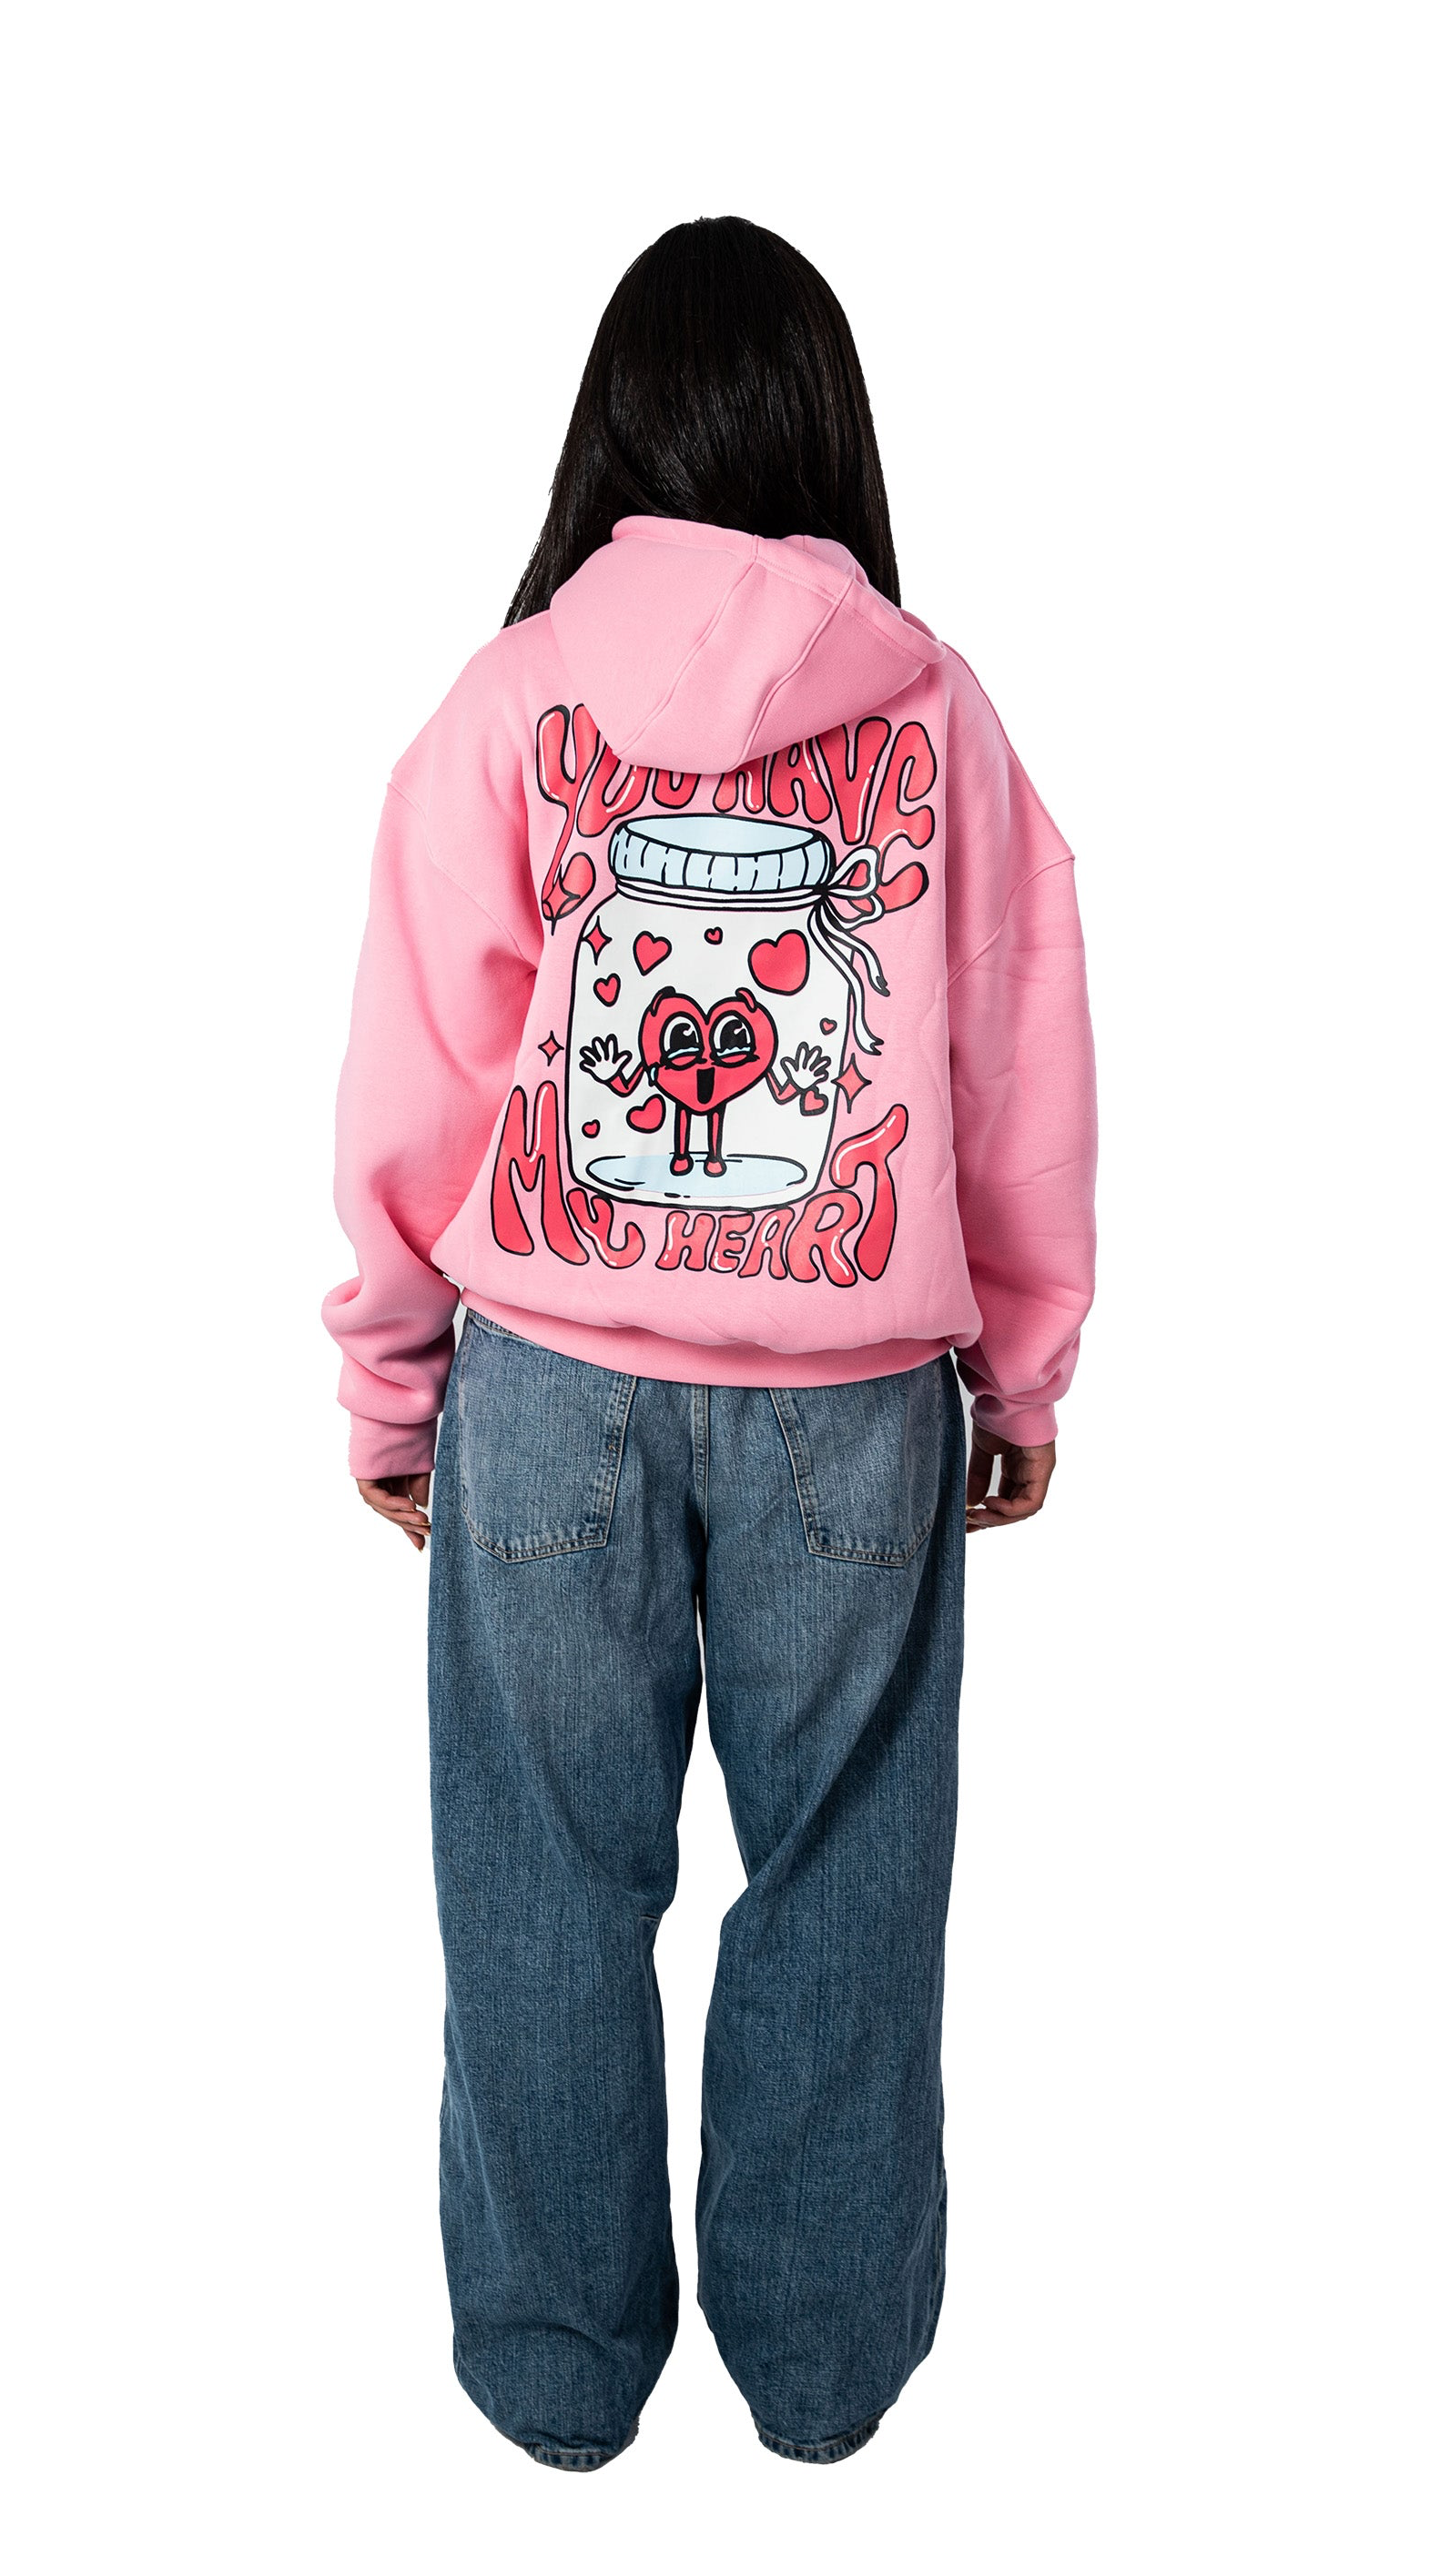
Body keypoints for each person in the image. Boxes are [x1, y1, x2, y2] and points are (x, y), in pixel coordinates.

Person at [323, 215, 1096, 2472]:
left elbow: (419, 1065)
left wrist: (391, 1380)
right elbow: (1016, 1061)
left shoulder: (512, 699)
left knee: (538, 1874)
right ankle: (826, 2365)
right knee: (847, 1872)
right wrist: (1020, 1367)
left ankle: (556, 2366)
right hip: (852, 1407)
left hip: (547, 1384)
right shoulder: (937, 715)